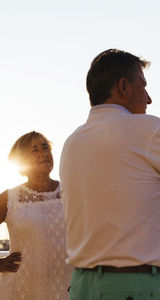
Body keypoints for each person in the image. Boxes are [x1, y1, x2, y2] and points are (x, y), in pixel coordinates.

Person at [59, 49, 160, 300]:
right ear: (124, 86)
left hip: (81, 286)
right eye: (143, 86)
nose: (148, 99)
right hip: (133, 287)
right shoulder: (147, 130)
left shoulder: (72, 142)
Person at [0, 131, 71, 300]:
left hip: (64, 290)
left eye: (45, 148)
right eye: (34, 150)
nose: (43, 153)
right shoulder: (11, 198)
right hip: (19, 290)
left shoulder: (70, 191)